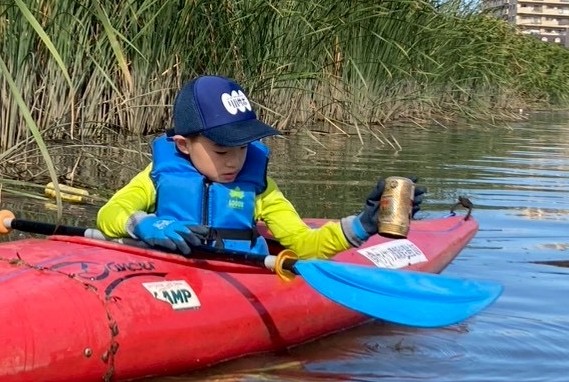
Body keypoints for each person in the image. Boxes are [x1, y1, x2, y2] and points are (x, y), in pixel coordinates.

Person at [96, 75, 424, 258]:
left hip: (241, 272)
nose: (235, 161)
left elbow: (304, 244)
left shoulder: (260, 188)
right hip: (169, 272)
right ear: (183, 144)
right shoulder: (156, 177)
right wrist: (143, 224)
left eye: (243, 148)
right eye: (222, 149)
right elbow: (109, 215)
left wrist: (364, 224)